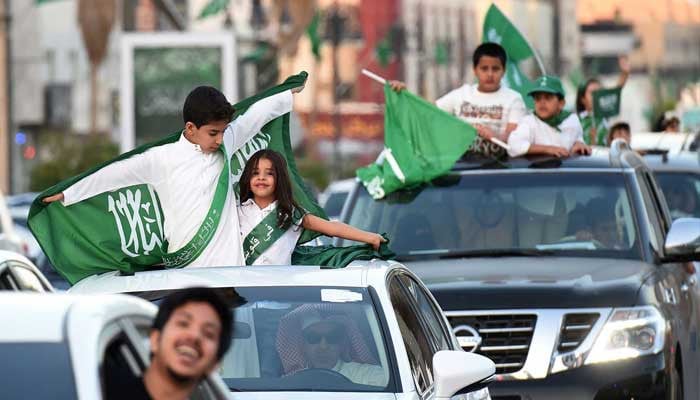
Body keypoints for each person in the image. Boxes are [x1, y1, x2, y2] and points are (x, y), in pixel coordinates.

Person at [42, 83, 305, 268]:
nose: (220, 139)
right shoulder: (161, 159)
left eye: (224, 131)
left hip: (231, 271)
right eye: (213, 133)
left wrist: (286, 94)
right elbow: (113, 174)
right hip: (186, 272)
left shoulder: (227, 141)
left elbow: (255, 116)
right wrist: (69, 192)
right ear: (190, 128)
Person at [237, 149, 385, 265]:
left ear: (279, 179)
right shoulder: (236, 212)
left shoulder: (291, 213)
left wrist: (370, 237)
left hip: (280, 293)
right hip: (245, 293)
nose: (261, 177)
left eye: (269, 173)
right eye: (255, 173)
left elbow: (332, 228)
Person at [389, 42, 526, 158]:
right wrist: (402, 94)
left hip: (498, 167)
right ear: (475, 70)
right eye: (484, 69)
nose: (490, 74)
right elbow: (427, 111)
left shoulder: (514, 99)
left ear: (503, 70)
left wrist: (494, 136)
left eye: (495, 69)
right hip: (462, 165)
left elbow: (513, 138)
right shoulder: (462, 94)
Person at [104, 287, 234, 400]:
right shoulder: (98, 389)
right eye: (183, 323)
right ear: (155, 339)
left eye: (208, 333)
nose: (194, 336)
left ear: (214, 364)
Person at [507, 75, 591, 158]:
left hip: (565, 169)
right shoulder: (529, 121)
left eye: (548, 98)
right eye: (538, 98)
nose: (542, 102)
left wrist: (579, 144)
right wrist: (547, 149)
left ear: (561, 103)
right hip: (540, 170)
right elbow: (513, 145)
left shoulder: (572, 119)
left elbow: (578, 139)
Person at [576, 55, 631, 146]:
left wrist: (625, 73)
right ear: (582, 99)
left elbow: (616, 90)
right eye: (592, 93)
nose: (597, 97)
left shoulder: (604, 116)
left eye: (600, 93)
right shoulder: (576, 121)